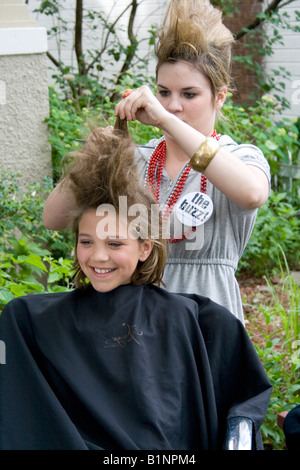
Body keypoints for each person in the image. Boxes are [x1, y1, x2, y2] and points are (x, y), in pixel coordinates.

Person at [0, 127, 272, 450]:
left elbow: (243, 390)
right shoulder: (29, 320)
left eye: (114, 243)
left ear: (144, 248)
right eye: (86, 242)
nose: (98, 256)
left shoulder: (192, 319)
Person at [42, 0, 271, 323]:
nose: (173, 105)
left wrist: (164, 120)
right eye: (164, 92)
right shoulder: (136, 159)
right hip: (138, 326)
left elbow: (251, 194)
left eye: (189, 94)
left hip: (207, 325)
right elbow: (52, 218)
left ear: (219, 97)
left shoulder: (239, 158)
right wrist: (94, 158)